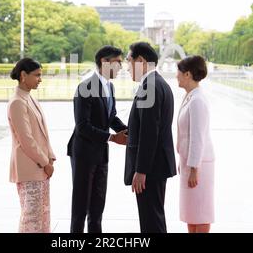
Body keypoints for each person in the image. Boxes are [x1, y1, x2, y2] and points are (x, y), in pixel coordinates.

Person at [67, 45, 128, 233]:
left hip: (101, 154)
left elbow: (111, 117)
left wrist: (130, 131)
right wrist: (111, 137)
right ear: (104, 62)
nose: (121, 67)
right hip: (84, 153)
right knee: (80, 208)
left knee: (97, 207)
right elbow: (82, 126)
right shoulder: (85, 87)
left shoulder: (109, 86)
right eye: (118, 62)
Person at [124, 42, 177, 233]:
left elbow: (149, 132)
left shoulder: (150, 87)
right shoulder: (157, 83)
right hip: (156, 165)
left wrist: (141, 170)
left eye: (129, 62)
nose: (127, 67)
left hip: (151, 169)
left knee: (151, 222)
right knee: (154, 218)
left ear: (141, 61)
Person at [7, 58, 56, 233]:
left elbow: (42, 132)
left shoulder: (28, 98)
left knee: (42, 216)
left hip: (41, 167)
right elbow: (26, 140)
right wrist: (45, 162)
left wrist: (50, 158)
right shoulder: (17, 102)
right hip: (29, 168)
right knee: (32, 218)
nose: (40, 79)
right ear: (23, 75)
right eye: (37, 75)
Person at [176, 55, 215, 233]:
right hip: (189, 163)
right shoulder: (190, 96)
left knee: (200, 212)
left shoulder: (197, 100)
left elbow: (197, 137)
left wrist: (193, 168)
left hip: (198, 166)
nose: (176, 75)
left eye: (179, 72)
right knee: (191, 213)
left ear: (188, 75)